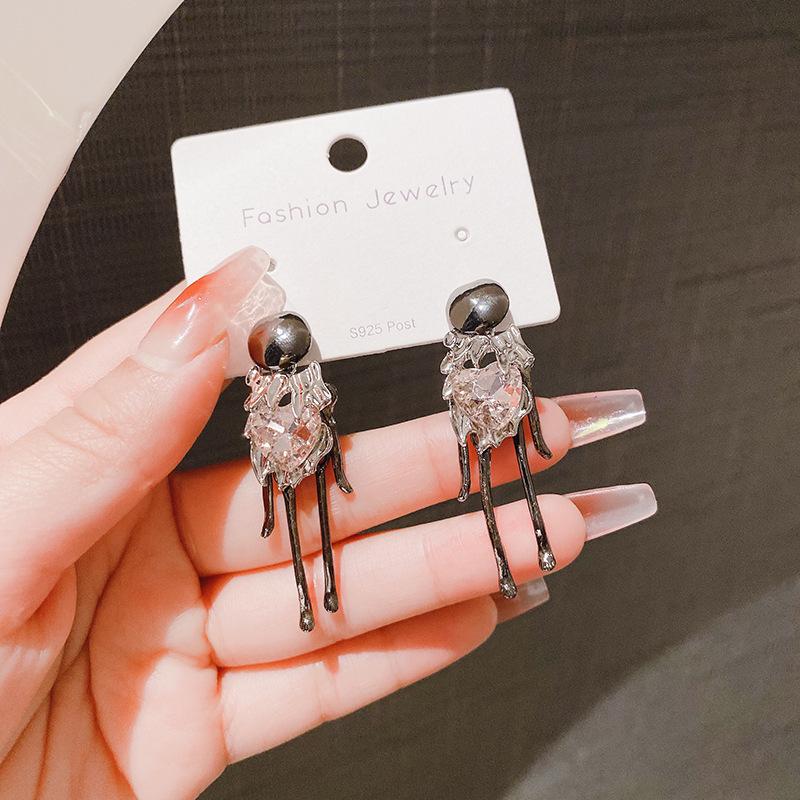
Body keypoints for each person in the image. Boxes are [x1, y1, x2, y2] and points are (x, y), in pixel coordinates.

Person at [0, 247, 652, 799]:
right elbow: (268, 453)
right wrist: (276, 494)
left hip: (340, 444)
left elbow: (429, 424)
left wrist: (344, 470)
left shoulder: (476, 373)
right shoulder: (276, 407)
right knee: (314, 523)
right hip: (289, 458)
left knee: (503, 483)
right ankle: (324, 591)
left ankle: (384, 576)